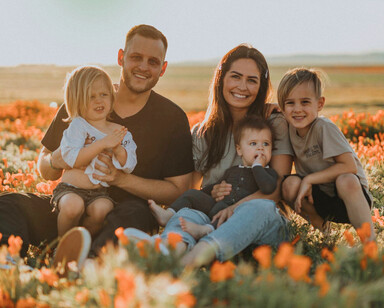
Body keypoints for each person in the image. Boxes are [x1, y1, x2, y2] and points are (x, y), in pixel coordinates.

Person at [0, 25, 194, 263]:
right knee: (9, 203)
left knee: (135, 214)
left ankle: (86, 263)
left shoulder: (171, 118)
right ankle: (7, 265)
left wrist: (121, 179)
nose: (143, 66)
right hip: (69, 209)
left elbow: (179, 190)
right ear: (121, 57)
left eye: (153, 61)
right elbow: (45, 168)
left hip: (122, 216)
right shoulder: (83, 100)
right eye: (136, 57)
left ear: (162, 69)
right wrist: (56, 159)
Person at [125, 44, 293, 267]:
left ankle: (190, 261)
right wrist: (209, 192)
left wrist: (235, 207)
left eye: (252, 80)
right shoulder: (203, 133)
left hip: (262, 222)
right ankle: (168, 250)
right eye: (235, 77)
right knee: (188, 213)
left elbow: (276, 191)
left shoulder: (273, 123)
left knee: (257, 208)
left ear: (261, 86)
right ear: (221, 79)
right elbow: (187, 188)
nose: (242, 86)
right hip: (214, 218)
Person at [278, 68, 375, 240]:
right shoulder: (289, 130)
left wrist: (309, 179)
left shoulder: (324, 127)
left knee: (346, 180)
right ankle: (325, 235)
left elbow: (349, 166)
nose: (297, 109)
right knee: (289, 184)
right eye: (290, 103)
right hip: (320, 198)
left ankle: (369, 242)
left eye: (305, 102)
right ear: (282, 107)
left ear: (320, 104)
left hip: (350, 198)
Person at [149, 115, 278, 238]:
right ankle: (169, 214)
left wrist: (257, 167)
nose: (260, 149)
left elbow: (267, 188)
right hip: (217, 205)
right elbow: (215, 186)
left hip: (237, 213)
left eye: (266, 144)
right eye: (253, 144)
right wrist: (211, 191)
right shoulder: (233, 171)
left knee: (224, 213)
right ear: (239, 150)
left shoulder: (268, 173)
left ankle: (206, 230)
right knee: (192, 194)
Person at [52, 65, 137, 237]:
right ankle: (61, 246)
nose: (99, 101)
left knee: (103, 209)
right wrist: (102, 144)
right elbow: (72, 159)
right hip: (70, 188)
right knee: (72, 206)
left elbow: (129, 165)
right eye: (91, 97)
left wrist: (118, 149)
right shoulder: (78, 125)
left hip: (99, 192)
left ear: (112, 97)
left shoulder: (119, 131)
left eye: (103, 95)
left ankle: (84, 244)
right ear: (77, 101)